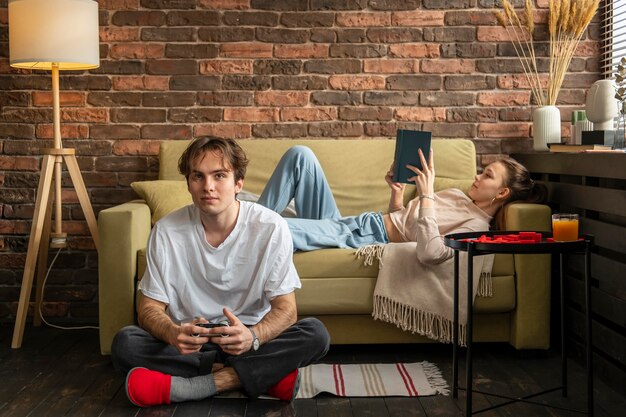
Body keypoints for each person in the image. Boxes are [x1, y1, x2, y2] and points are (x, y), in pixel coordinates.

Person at [110, 137, 330, 408]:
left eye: (219, 176)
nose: (208, 187)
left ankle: (199, 384)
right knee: (125, 343)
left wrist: (254, 336)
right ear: (188, 183)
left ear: (238, 183)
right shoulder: (166, 231)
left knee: (316, 334)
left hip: (247, 340)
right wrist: (172, 333)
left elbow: (287, 310)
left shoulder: (271, 227)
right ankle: (260, 376)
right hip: (191, 345)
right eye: (198, 177)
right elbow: (149, 308)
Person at [257, 145, 546, 257]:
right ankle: (246, 219)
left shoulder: (475, 225)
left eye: (487, 176)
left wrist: (428, 195)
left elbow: (431, 251)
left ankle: (238, 227)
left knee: (274, 228)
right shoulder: (458, 195)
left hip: (365, 236)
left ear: (502, 193)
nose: (477, 176)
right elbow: (402, 218)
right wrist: (397, 193)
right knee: (300, 156)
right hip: (358, 222)